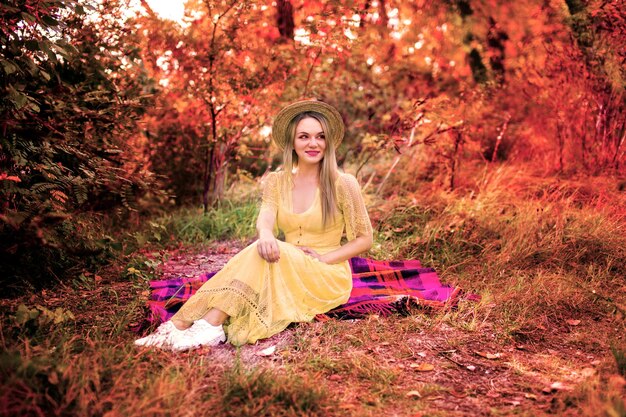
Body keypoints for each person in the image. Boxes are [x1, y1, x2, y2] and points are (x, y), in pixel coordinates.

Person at [134, 99, 373, 351]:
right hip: (284, 266)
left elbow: (364, 239)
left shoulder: (343, 184)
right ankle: (194, 326)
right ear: (292, 142)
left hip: (326, 274)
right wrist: (266, 234)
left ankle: (199, 325)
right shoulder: (277, 181)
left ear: (328, 142)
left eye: (320, 137)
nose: (313, 144)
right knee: (262, 248)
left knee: (260, 254)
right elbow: (266, 216)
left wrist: (324, 258)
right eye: (304, 136)